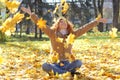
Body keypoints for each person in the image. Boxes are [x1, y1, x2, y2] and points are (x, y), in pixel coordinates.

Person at [21, 7, 107, 76]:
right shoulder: (51, 33)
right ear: (57, 25)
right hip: (55, 63)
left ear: (67, 24)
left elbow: (84, 28)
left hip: (67, 63)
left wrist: (96, 21)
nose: (63, 23)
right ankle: (66, 72)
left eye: (65, 22)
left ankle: (61, 72)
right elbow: (40, 24)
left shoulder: (72, 34)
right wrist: (31, 14)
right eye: (61, 22)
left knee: (78, 62)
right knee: (45, 66)